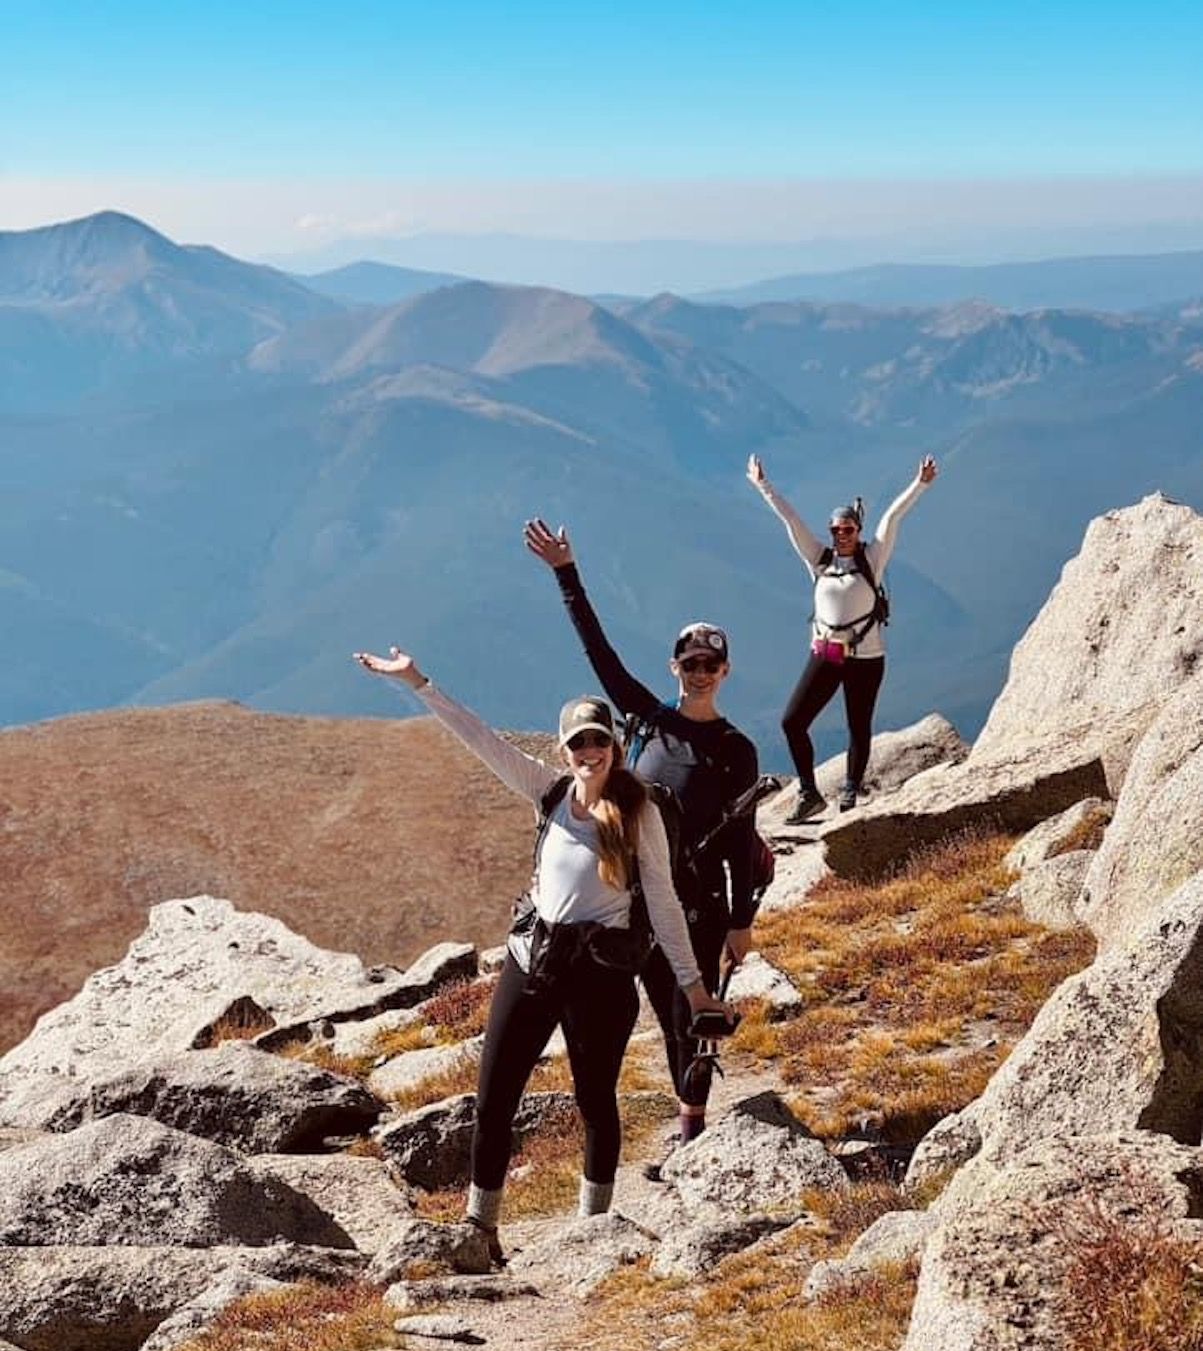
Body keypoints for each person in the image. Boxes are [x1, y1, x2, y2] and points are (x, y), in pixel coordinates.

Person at [353, 644, 731, 1263]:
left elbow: (662, 903)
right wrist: (418, 682)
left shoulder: (641, 813)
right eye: (579, 743)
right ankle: (482, 1228)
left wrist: (693, 987)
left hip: (602, 976)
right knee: (493, 1096)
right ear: (564, 750)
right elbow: (479, 739)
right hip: (533, 962)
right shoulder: (548, 790)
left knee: (595, 1101)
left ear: (612, 743)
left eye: (599, 741)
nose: (590, 753)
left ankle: (591, 1231)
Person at [524, 517, 759, 1149]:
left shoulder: (737, 750)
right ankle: (615, 1131)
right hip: (635, 906)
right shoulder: (648, 721)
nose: (699, 672)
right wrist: (566, 573)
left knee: (690, 1012)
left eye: (711, 664)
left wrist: (741, 922)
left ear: (726, 670)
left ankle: (691, 1132)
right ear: (675, 667)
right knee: (647, 1012)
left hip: (700, 904)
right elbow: (599, 655)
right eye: (690, 663)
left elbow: (742, 839)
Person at [746, 452, 939, 822]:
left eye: (847, 529)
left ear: (858, 531)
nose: (841, 535)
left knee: (858, 724)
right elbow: (791, 519)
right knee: (792, 721)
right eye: (835, 530)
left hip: (866, 657)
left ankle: (850, 791)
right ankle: (809, 792)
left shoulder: (873, 559)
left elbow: (893, 517)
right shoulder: (819, 561)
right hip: (827, 653)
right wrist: (762, 485)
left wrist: (921, 484)